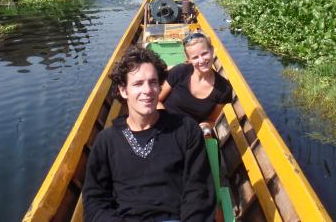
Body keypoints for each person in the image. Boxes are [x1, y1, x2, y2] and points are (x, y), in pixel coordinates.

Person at [83, 46, 216, 222]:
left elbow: (199, 192)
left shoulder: (185, 129)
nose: (148, 90)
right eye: (138, 84)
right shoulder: (107, 141)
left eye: (153, 82)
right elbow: (95, 201)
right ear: (123, 91)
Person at [159, 32, 232, 136]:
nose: (201, 60)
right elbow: (157, 101)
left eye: (204, 53)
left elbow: (211, 120)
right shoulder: (180, 72)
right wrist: (167, 121)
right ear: (189, 60)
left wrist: (205, 126)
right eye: (195, 57)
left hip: (189, 134)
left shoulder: (224, 89)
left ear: (212, 50)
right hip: (163, 123)